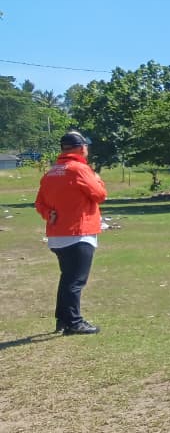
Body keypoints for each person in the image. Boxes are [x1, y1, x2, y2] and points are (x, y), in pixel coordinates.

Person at [34, 130, 108, 335]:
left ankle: (63, 319)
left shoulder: (51, 172)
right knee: (76, 281)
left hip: (57, 234)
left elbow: (39, 203)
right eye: (86, 146)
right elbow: (100, 195)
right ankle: (74, 322)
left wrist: (49, 214)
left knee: (67, 278)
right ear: (81, 148)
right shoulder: (80, 169)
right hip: (79, 233)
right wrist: (97, 179)